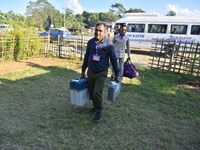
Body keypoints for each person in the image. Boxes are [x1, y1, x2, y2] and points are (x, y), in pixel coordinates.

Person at [81, 22, 119, 122]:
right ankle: (95, 106)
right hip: (91, 72)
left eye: (100, 30)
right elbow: (86, 56)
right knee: (91, 91)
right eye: (96, 30)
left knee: (97, 92)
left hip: (101, 73)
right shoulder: (90, 42)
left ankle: (99, 111)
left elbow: (113, 60)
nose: (98, 32)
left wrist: (117, 73)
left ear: (105, 32)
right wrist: (83, 70)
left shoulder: (109, 44)